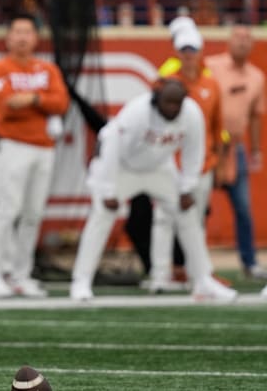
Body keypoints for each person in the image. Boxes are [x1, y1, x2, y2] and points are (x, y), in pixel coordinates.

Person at [69, 79, 237, 302]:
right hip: (121, 167)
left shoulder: (192, 114)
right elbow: (110, 144)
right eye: (168, 102)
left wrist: (187, 187)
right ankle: (81, 281)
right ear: (156, 99)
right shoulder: (137, 112)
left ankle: (203, 280)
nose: (173, 108)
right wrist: (108, 189)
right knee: (102, 216)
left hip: (159, 168)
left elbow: (194, 151)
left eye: (178, 103)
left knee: (188, 215)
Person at [0, 13, 69, 298]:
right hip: (12, 144)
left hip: (44, 147)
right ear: (8, 37)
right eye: (17, 31)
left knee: (33, 214)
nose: (21, 37)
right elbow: (7, 105)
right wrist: (41, 100)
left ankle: (21, 274)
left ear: (35, 37)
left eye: (27, 32)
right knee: (8, 210)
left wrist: (32, 98)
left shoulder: (48, 68)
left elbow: (61, 103)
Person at [147, 29, 224, 292]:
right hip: (169, 163)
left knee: (195, 221)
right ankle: (159, 275)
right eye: (184, 51)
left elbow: (217, 127)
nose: (189, 56)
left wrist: (219, 163)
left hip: (201, 164)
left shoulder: (211, 85)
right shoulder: (166, 83)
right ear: (178, 53)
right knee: (162, 219)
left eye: (193, 50)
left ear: (201, 52)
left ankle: (197, 275)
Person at [205, 25, 267, 280]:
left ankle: (249, 262)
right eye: (238, 38)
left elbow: (255, 116)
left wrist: (255, 150)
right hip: (209, 146)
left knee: (243, 208)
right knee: (198, 206)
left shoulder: (256, 76)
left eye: (247, 39)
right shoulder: (211, 65)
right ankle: (195, 264)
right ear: (229, 41)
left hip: (235, 147)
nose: (242, 43)